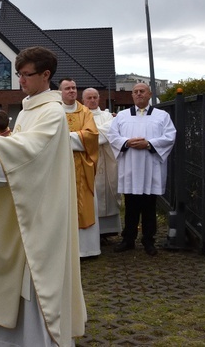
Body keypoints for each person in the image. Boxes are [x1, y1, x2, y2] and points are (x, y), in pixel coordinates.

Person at [0, 46, 86, 346]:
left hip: (42, 215)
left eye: (26, 75)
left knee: (36, 281)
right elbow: (20, 154)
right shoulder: (29, 109)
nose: (21, 82)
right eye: (19, 75)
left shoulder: (51, 113)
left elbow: (29, 151)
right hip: (26, 208)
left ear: (46, 75)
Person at [107, 83, 176, 256]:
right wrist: (127, 142)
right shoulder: (122, 116)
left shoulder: (162, 116)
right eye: (135, 92)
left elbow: (169, 136)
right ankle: (128, 239)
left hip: (150, 167)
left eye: (142, 91)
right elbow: (112, 136)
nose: (138, 94)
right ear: (132, 95)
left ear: (149, 94)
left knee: (149, 206)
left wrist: (149, 144)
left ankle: (148, 240)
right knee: (130, 206)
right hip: (130, 166)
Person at [60, 78, 100, 258]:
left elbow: (91, 136)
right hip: (60, 165)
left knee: (85, 204)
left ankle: (87, 249)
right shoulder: (54, 111)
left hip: (82, 166)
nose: (71, 91)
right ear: (60, 91)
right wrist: (72, 138)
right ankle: (64, 250)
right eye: (67, 88)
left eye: (74, 88)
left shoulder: (85, 112)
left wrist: (64, 139)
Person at [82, 88, 122, 238]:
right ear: (83, 100)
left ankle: (108, 231)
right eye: (89, 98)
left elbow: (108, 132)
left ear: (99, 99)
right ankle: (93, 233)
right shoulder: (81, 115)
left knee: (108, 193)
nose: (92, 100)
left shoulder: (107, 116)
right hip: (88, 161)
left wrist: (88, 135)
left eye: (94, 97)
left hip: (106, 159)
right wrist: (91, 135)